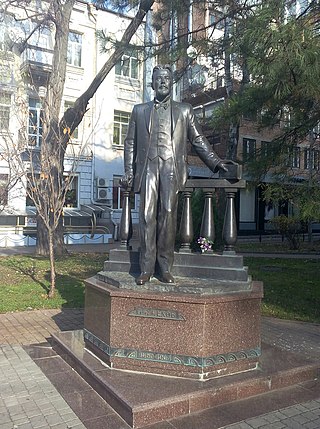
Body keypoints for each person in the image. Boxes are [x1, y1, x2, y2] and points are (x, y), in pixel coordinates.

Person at [122, 64, 228, 285]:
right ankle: (146, 268)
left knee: (168, 215)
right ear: (152, 83)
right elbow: (130, 143)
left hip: (171, 168)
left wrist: (216, 163)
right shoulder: (139, 111)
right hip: (148, 168)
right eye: (158, 79)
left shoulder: (184, 110)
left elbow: (198, 139)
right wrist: (129, 171)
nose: (162, 82)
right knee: (147, 216)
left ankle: (165, 267)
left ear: (171, 83)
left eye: (166, 79)